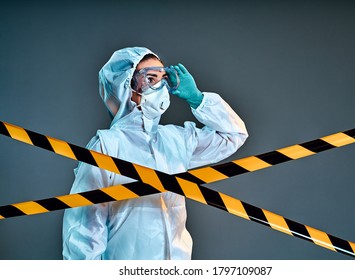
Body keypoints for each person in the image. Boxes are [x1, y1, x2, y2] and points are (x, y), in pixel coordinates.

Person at [62, 47, 248, 260]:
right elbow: (83, 229)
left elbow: (234, 134)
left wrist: (198, 99)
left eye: (162, 79)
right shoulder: (106, 146)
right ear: (126, 86)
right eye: (150, 78)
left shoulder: (175, 140)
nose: (159, 87)